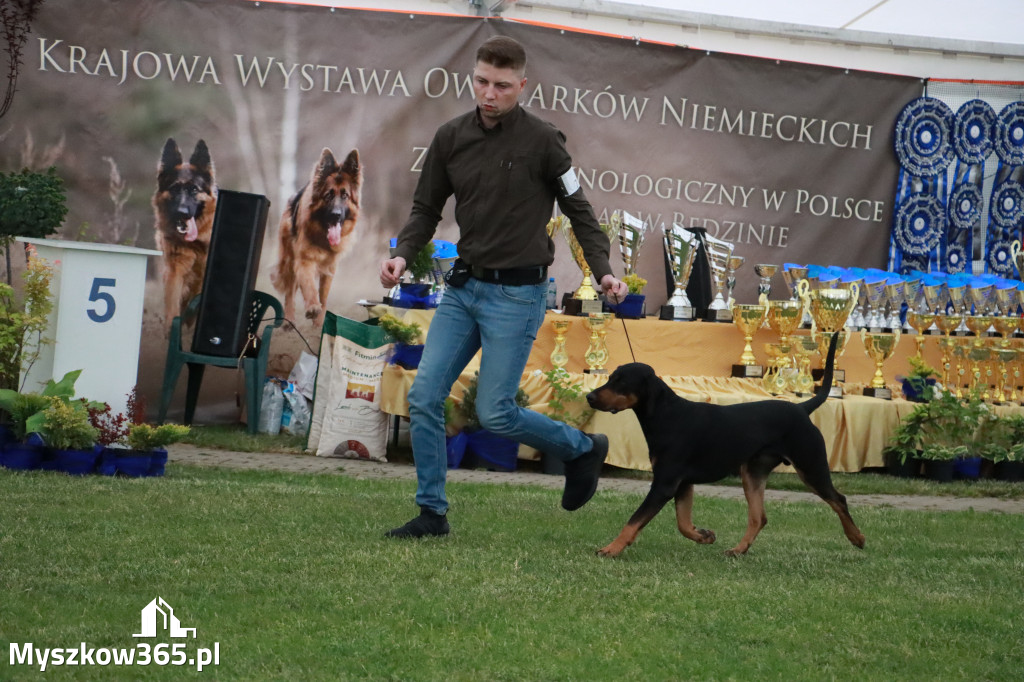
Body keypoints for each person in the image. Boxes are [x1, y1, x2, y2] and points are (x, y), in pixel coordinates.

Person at [379, 35, 628, 538]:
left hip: (518, 295)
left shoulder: (544, 140)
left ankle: (583, 449)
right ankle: (432, 513)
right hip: (464, 288)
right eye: (481, 82)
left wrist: (602, 269)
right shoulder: (450, 137)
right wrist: (402, 255)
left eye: (502, 86)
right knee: (425, 397)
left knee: (495, 412)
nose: (489, 94)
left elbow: (580, 213)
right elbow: (426, 209)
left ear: (522, 85)